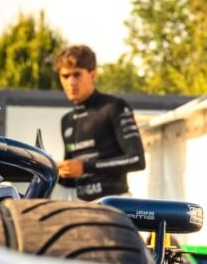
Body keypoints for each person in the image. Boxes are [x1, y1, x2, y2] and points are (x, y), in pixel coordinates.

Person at [55, 44, 145, 201]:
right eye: (65, 76)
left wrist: (84, 167)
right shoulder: (66, 120)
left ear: (92, 75)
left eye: (77, 74)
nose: (71, 82)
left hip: (115, 203)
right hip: (80, 206)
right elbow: (70, 180)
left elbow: (137, 160)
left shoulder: (115, 107)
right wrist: (57, 170)